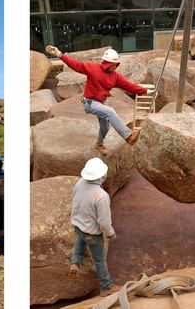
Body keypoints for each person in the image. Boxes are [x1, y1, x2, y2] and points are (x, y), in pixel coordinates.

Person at [45, 45, 150, 156]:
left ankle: (99, 144)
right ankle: (128, 136)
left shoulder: (116, 77)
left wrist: (145, 90)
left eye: (116, 65)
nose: (114, 67)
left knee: (105, 126)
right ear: (106, 63)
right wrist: (60, 54)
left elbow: (129, 86)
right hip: (89, 103)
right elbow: (76, 65)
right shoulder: (93, 68)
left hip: (101, 102)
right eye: (112, 64)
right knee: (110, 112)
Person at [67, 157, 119, 296]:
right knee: (99, 259)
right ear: (102, 176)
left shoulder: (80, 183)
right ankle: (106, 286)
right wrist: (110, 233)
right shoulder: (101, 196)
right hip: (92, 233)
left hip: (78, 225)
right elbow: (104, 222)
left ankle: (75, 262)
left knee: (81, 239)